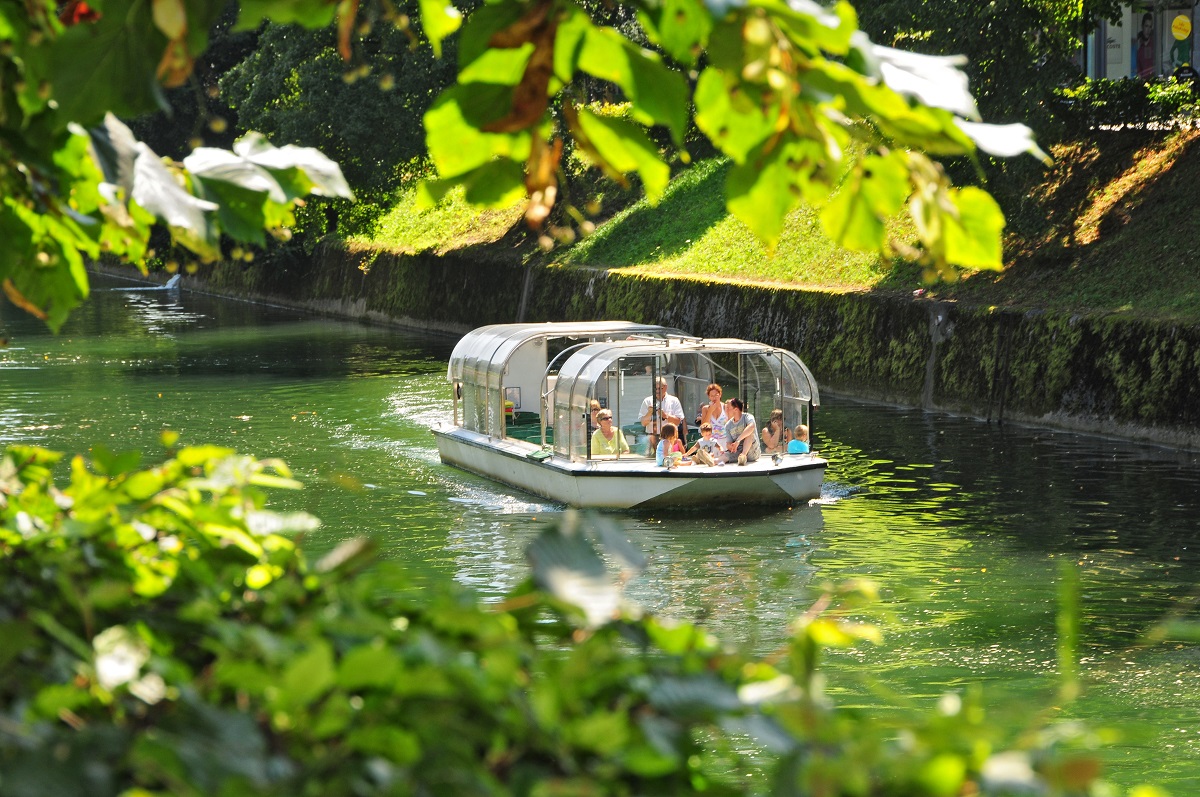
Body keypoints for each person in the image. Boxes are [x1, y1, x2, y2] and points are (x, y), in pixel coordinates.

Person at [639, 377, 685, 447]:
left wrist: (666, 416)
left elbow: (678, 421)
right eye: (655, 389)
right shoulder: (647, 401)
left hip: (670, 437)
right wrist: (649, 412)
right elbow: (643, 423)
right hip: (652, 437)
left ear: (665, 387)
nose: (657, 391)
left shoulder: (674, 401)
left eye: (660, 388)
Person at [723, 398, 760, 465]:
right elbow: (728, 442)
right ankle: (710, 460)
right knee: (722, 457)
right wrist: (730, 447)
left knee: (749, 433)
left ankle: (743, 455)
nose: (726, 410)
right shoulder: (728, 425)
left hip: (752, 451)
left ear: (736, 409)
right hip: (737, 452)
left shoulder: (748, 417)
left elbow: (751, 427)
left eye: (728, 408)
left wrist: (738, 440)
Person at [1137, 12, 1156, 79]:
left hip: (1153, 79)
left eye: (1150, 27)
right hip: (1141, 81)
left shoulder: (1154, 45)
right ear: (1142, 26)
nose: (1148, 30)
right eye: (1146, 26)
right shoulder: (1138, 45)